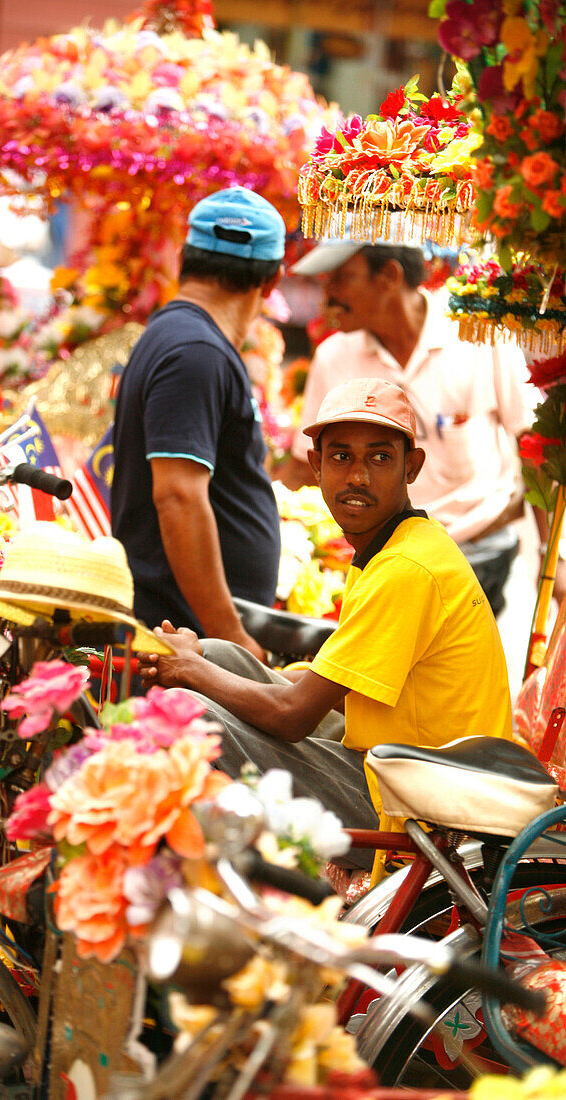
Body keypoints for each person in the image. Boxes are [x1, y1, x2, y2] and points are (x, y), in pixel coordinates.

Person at [138, 378, 513, 866]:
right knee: (222, 655)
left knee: (192, 710)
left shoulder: (407, 569)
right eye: (341, 457)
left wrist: (188, 669)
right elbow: (325, 686)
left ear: (411, 467)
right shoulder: (395, 547)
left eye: (379, 458)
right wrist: (202, 658)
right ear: (316, 465)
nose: (357, 476)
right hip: (405, 767)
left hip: (424, 810)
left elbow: (293, 715)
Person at [281, 235, 540, 616]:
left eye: (340, 278)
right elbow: (305, 469)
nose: (328, 294)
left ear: (389, 275)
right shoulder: (333, 357)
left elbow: (533, 445)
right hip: (381, 559)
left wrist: (557, 557)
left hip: (478, 550)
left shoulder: (478, 334)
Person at [112, 186, 286, 661]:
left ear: (183, 259)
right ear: (271, 282)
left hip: (192, 635)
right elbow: (178, 497)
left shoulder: (184, 338)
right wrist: (232, 637)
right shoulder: (195, 352)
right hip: (189, 638)